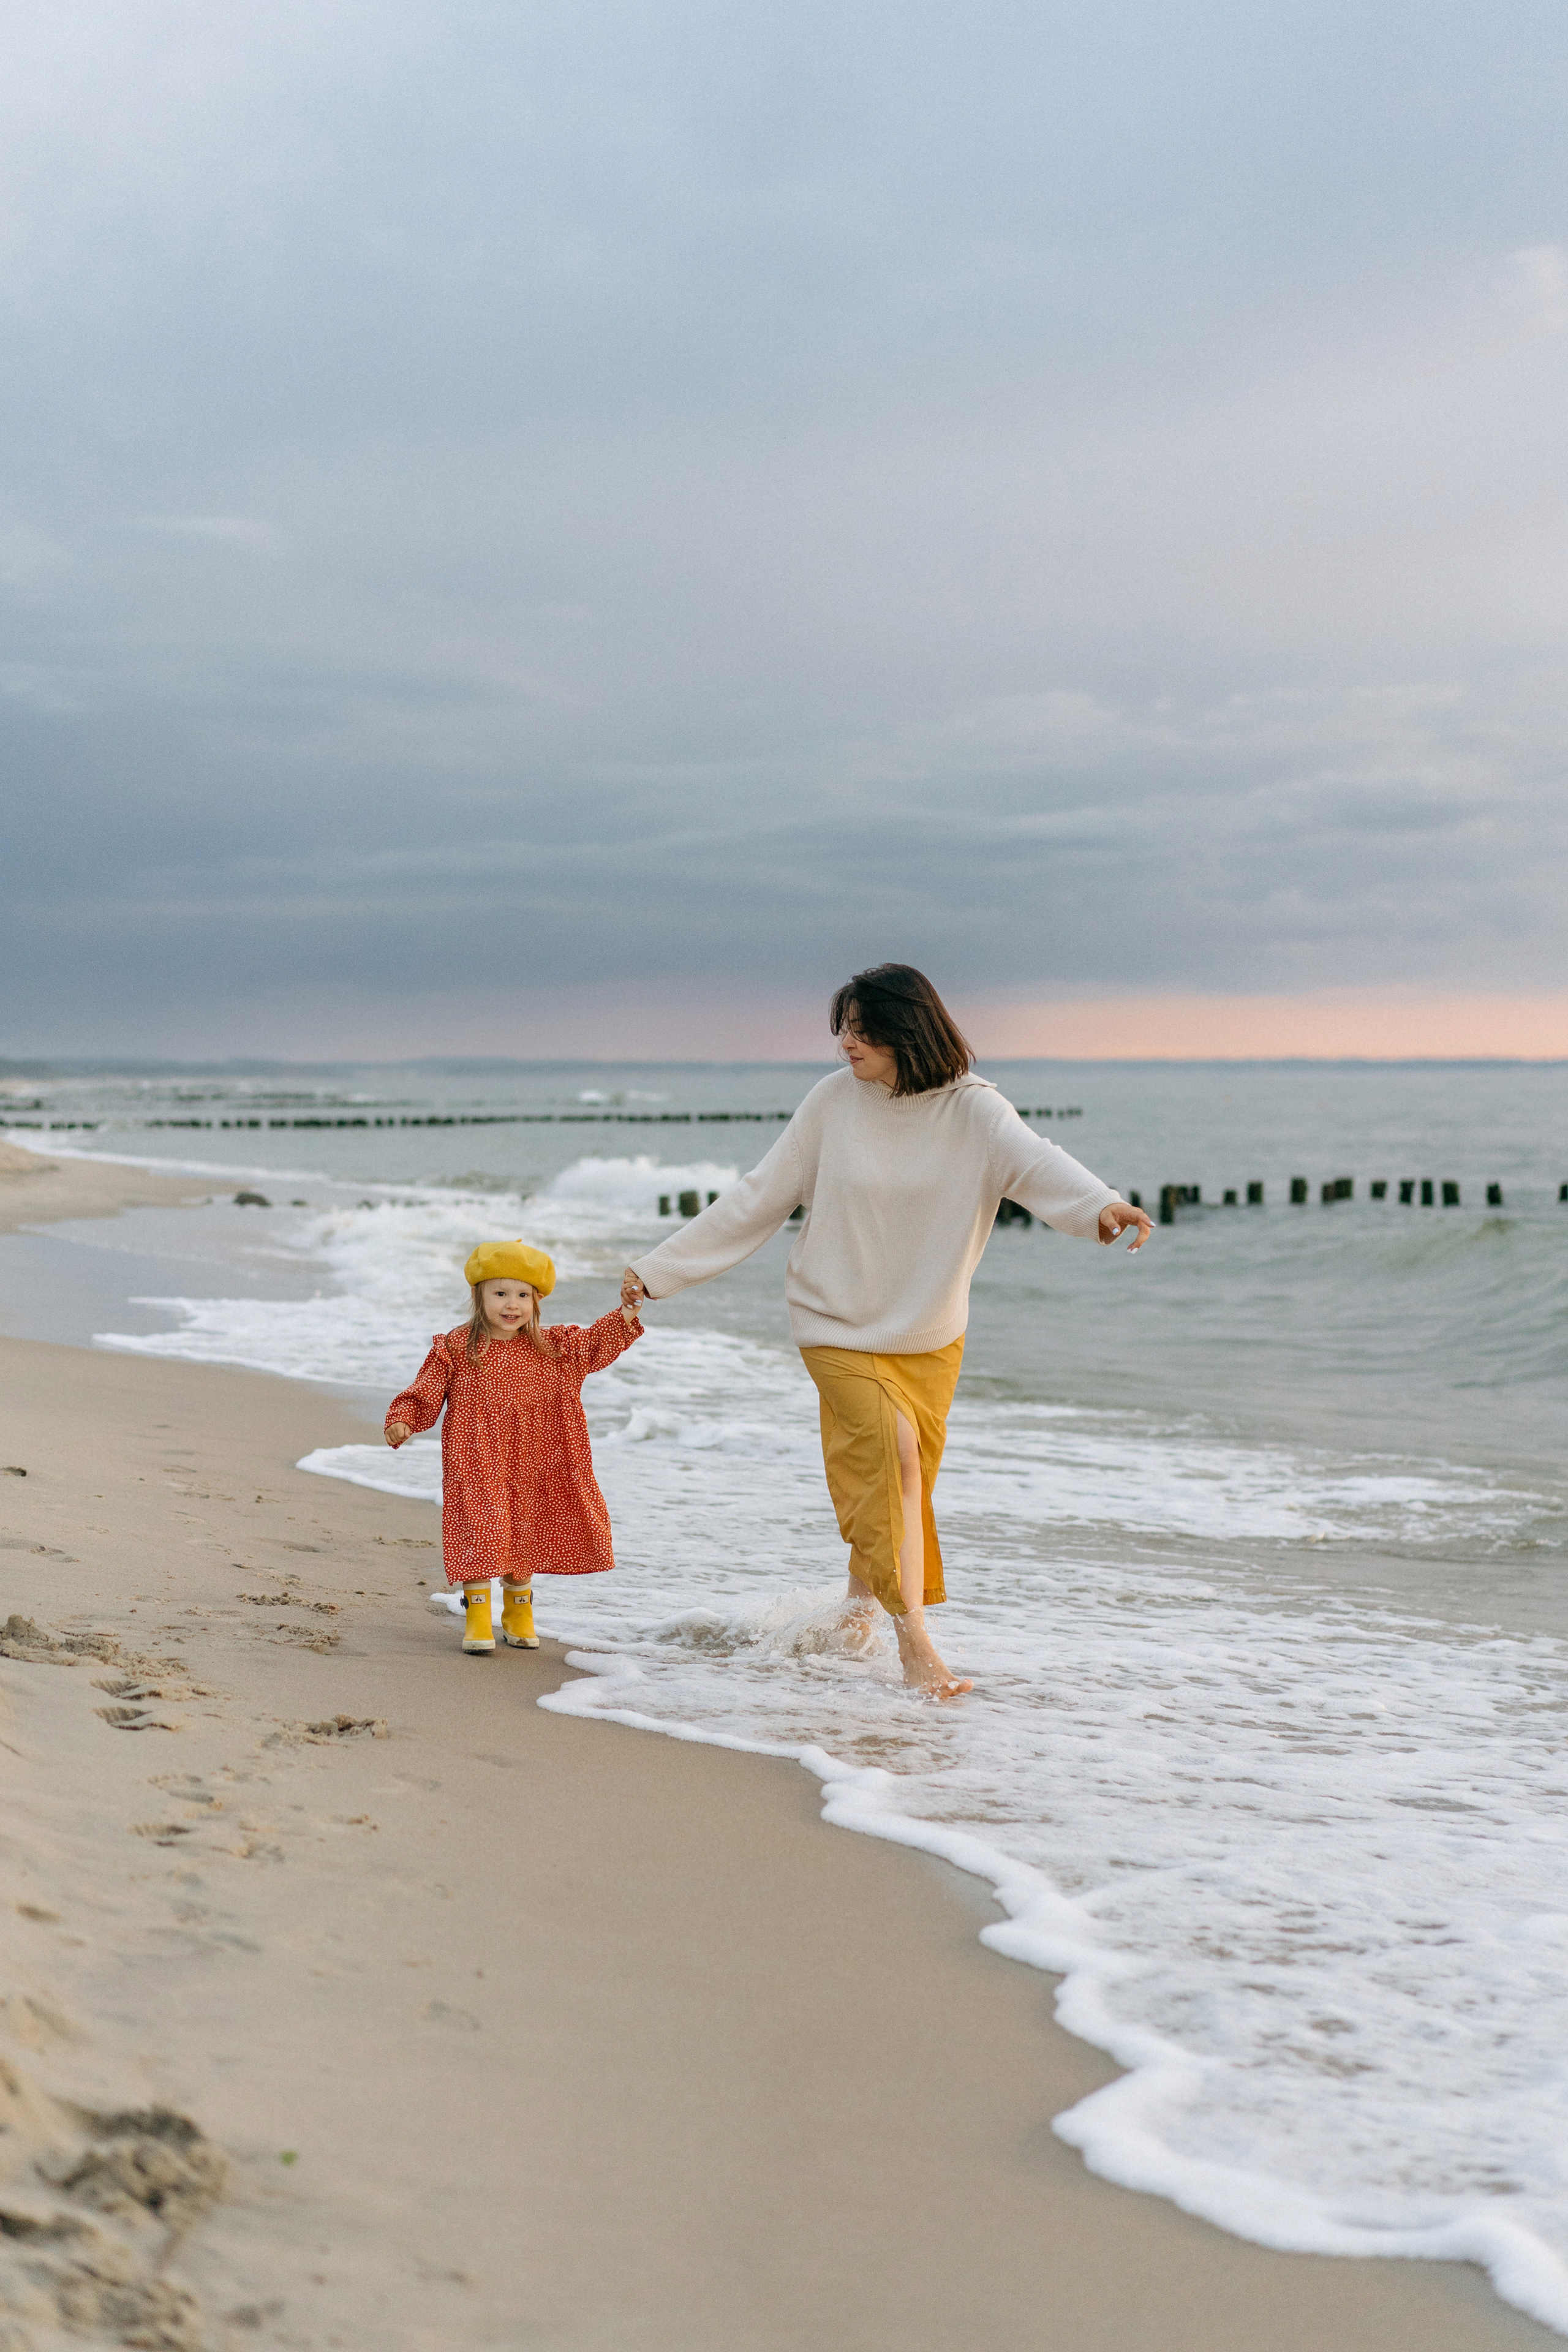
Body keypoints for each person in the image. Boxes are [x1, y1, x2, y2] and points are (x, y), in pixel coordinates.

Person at [620, 965, 1151, 1697]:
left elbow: (1036, 1164)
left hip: (930, 1334)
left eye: (864, 1031)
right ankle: (915, 1647)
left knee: (902, 1480)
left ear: (909, 1031)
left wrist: (1101, 1206)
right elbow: (759, 1196)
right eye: (844, 1029)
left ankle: (857, 1614)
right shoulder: (831, 1103)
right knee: (892, 1459)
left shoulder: (975, 1110)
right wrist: (661, 1269)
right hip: (833, 1321)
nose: (848, 1044)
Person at [385, 1241, 643, 1655]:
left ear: (537, 1300)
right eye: (501, 1293)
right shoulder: (456, 1347)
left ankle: (518, 1610)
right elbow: (427, 1388)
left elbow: (597, 1342)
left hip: (538, 1458)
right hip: (477, 1458)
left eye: (523, 1295)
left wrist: (628, 1309)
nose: (512, 1305)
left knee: (525, 1531)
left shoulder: (555, 1347)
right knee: (481, 1529)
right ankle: (477, 1616)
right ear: (479, 1295)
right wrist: (405, 1418)